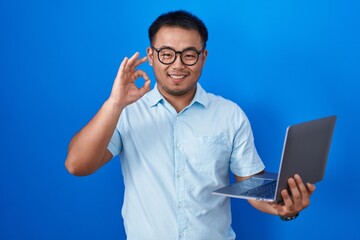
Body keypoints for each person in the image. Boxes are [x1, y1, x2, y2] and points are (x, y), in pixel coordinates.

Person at [65, 10, 316, 240]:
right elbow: (77, 165)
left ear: (203, 57)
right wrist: (114, 103)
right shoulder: (126, 112)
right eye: (166, 54)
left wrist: (285, 207)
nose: (177, 65)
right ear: (151, 57)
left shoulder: (229, 114)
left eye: (189, 55)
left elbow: (250, 185)